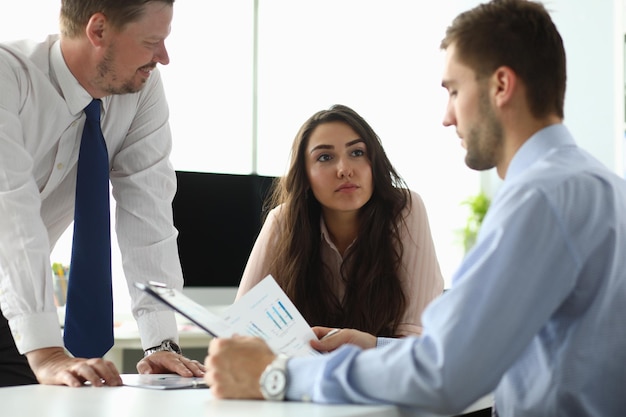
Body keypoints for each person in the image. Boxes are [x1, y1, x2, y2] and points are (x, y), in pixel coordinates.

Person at [204, 0, 626, 415]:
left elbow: (445, 373)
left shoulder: (540, 199)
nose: (447, 116)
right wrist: (375, 347)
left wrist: (280, 376)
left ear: (501, 86)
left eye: (454, 90)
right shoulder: (604, 188)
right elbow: (470, 352)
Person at [0, 0, 204, 387]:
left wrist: (160, 342)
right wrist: (46, 352)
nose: (164, 57)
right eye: (152, 42)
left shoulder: (139, 90)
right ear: (98, 31)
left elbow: (149, 210)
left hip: (10, 308)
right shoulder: (8, 77)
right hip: (18, 298)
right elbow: (10, 209)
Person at [236, 104, 444, 338]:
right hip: (303, 371)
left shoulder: (405, 209)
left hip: (383, 370)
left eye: (356, 153)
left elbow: (415, 338)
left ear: (374, 162)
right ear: (305, 176)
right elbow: (238, 330)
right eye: (325, 157)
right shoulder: (284, 220)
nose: (344, 170)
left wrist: (368, 347)